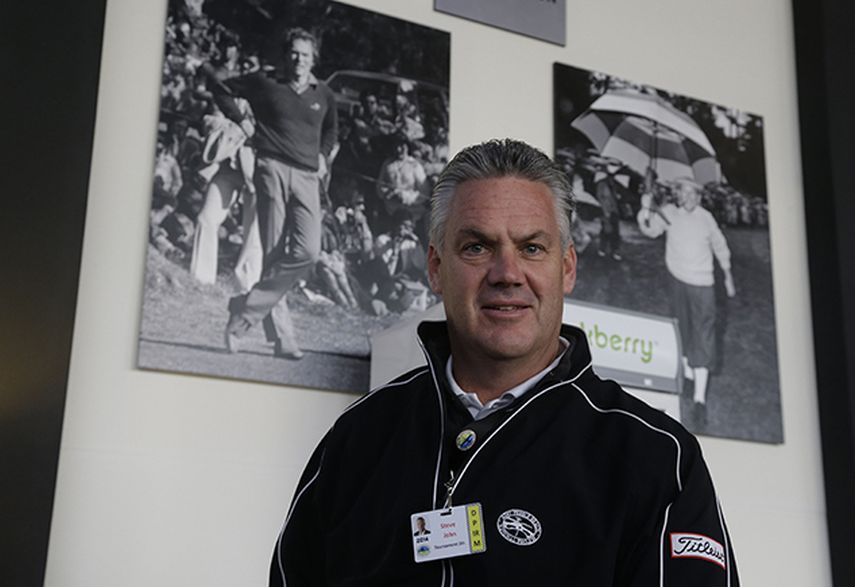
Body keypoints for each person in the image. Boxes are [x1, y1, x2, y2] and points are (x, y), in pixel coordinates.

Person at [271, 139, 739, 585]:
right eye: (477, 247)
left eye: (532, 248)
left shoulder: (656, 459)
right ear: (435, 267)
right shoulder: (359, 438)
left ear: (568, 268)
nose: (507, 274)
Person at [214, 28, 338, 359]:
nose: (299, 59)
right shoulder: (264, 82)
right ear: (285, 55)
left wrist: (324, 155)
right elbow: (221, 87)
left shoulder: (323, 94)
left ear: (314, 59)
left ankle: (243, 308)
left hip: (308, 177)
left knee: (308, 251)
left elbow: (331, 130)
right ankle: (283, 340)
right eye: (294, 53)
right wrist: (243, 121)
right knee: (272, 253)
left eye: (305, 54)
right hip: (271, 168)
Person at [637, 178, 737, 415]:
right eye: (684, 192)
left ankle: (700, 399)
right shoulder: (669, 212)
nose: (689, 197)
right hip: (677, 279)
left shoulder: (706, 218)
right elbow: (650, 230)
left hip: (703, 283)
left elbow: (720, 245)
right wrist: (645, 208)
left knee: (704, 333)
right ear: (678, 195)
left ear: (699, 196)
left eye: (693, 193)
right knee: (681, 328)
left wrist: (728, 274)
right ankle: (689, 374)